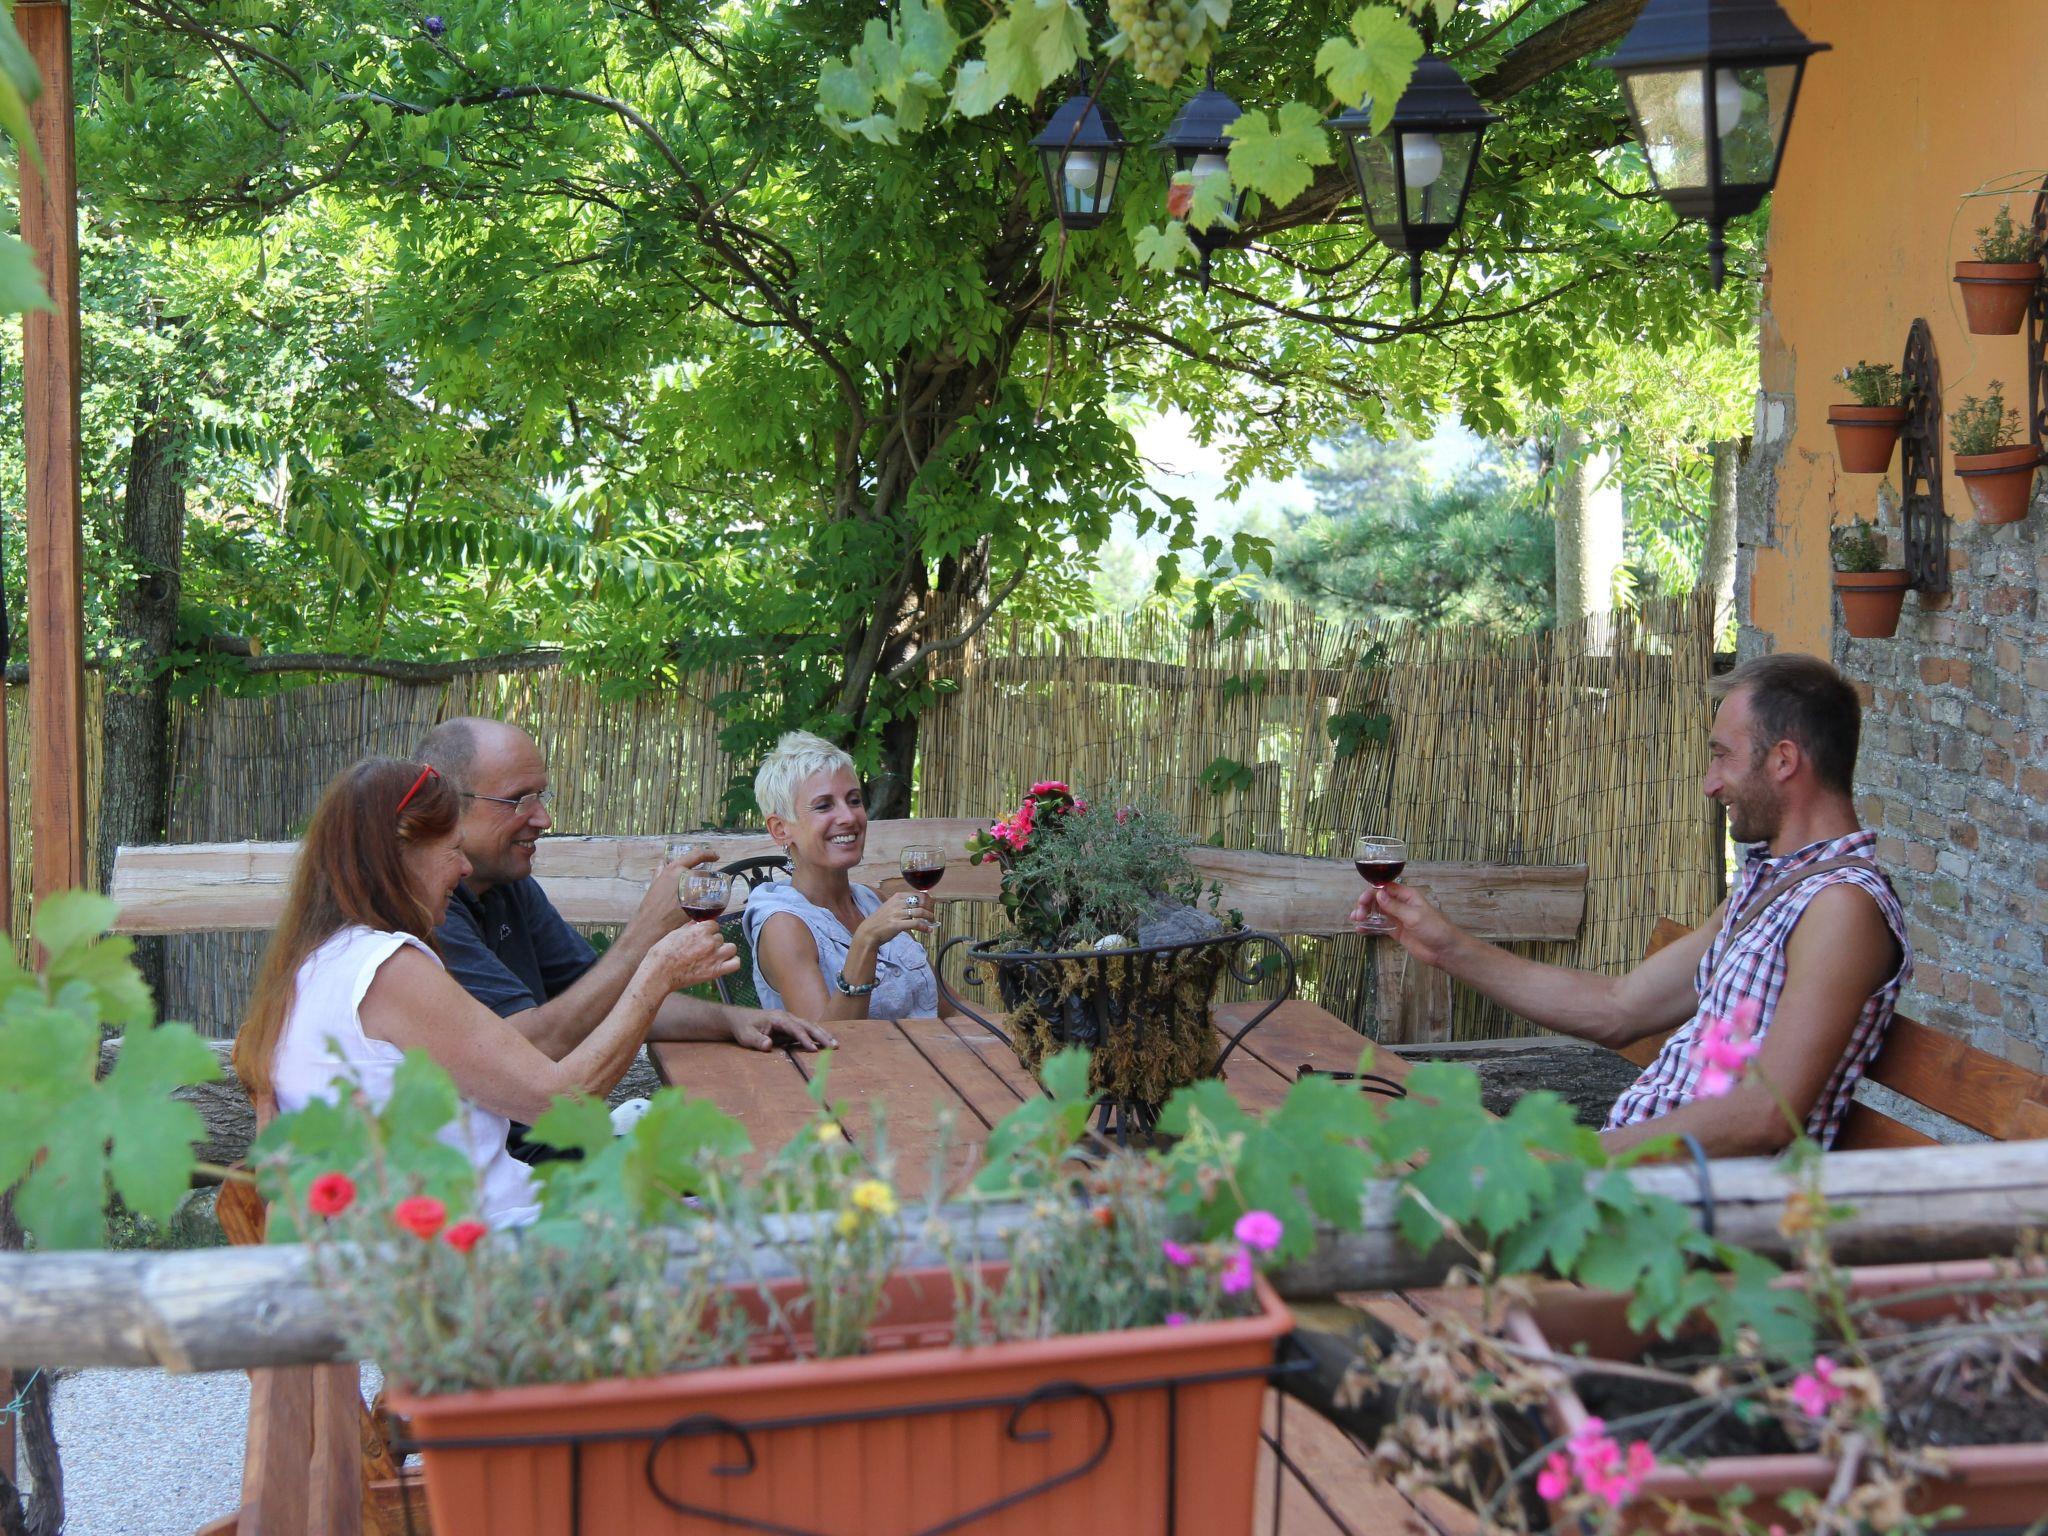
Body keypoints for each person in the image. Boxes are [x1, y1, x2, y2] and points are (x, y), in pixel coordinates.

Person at [1353, 653, 1910, 1156]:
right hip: (1634, 1181)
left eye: (1722, 756)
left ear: (1784, 760)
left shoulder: (1841, 907)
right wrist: (1445, 947)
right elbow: (1617, 1009)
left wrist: (1573, 1161)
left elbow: (1766, 1114)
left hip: (1687, 1210)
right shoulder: (1773, 888)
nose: (1710, 784)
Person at [234, 757, 734, 1228]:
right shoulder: (386, 970)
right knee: (740, 1214)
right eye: (453, 849)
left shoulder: (316, 962)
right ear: (400, 854)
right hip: (480, 1246)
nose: (465, 868)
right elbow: (560, 1103)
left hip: (439, 1236)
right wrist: (656, 973)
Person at [414, 719, 835, 1158]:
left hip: (551, 1141)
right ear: (448, 804)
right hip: (497, 1167)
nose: (543, 818)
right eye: (520, 800)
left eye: (541, 796)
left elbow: (610, 998)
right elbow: (529, 1053)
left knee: (751, 1148)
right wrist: (645, 935)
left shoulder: (508, 886)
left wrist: (734, 1020)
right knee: (747, 1166)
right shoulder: (428, 913)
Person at [744, 730, 939, 1022]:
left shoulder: (873, 901)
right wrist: (866, 940)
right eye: (824, 805)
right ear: (780, 829)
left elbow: (949, 1006)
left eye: (854, 800)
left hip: (932, 1049)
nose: (849, 817)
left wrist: (1007, 1031)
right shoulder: (783, 925)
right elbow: (828, 1042)